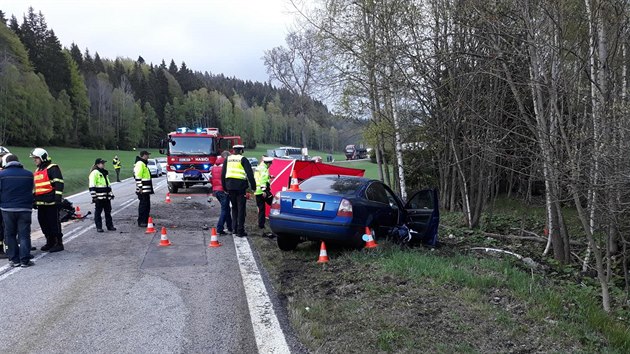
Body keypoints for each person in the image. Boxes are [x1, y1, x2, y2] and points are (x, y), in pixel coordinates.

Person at [0, 154, 35, 267]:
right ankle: (24, 260)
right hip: (25, 208)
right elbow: (32, 190)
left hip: (7, 209)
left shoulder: (2, 175)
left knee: (10, 234)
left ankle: (14, 260)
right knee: (24, 235)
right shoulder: (29, 174)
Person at [31, 148, 65, 252]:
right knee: (43, 223)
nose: (34, 160)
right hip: (41, 203)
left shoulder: (52, 168)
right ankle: (49, 241)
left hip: (51, 202)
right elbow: (36, 187)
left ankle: (58, 243)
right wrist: (34, 199)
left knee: (53, 223)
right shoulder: (37, 170)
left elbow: (59, 184)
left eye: (36, 158)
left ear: (42, 157)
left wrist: (58, 199)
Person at [221, 144, 255, 237]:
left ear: (233, 150)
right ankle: (240, 230)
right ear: (241, 151)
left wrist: (224, 187)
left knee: (234, 208)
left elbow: (223, 174)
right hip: (240, 188)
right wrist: (253, 187)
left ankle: (234, 229)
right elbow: (250, 174)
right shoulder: (243, 159)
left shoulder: (227, 159)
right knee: (241, 209)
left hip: (230, 187)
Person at [89, 158, 116, 233]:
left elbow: (108, 185)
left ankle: (110, 226)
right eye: (102, 163)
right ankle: (99, 227)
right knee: (98, 213)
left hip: (106, 197)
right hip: (99, 197)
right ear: (97, 164)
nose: (104, 164)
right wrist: (94, 197)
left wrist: (111, 194)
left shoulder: (104, 173)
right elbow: (92, 186)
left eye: (104, 163)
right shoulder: (94, 173)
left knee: (108, 212)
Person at [211, 156, 232, 235]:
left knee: (226, 209)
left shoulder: (213, 168)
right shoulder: (225, 168)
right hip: (223, 191)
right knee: (224, 210)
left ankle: (230, 227)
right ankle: (220, 228)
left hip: (216, 190)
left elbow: (211, 178)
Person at [254, 156, 274, 237]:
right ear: (268, 163)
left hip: (257, 192)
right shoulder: (265, 169)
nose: (270, 166)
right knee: (274, 204)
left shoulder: (259, 167)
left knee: (261, 209)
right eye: (270, 164)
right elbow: (262, 179)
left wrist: (269, 177)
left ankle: (261, 226)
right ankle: (276, 221)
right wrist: (264, 190)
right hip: (263, 191)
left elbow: (258, 178)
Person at [134, 150, 153, 227]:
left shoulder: (143, 164)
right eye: (147, 155)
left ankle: (146, 221)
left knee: (147, 206)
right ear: (144, 155)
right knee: (143, 206)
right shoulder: (140, 164)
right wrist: (140, 187)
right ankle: (141, 221)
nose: (148, 156)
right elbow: (138, 176)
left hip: (146, 189)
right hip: (143, 190)